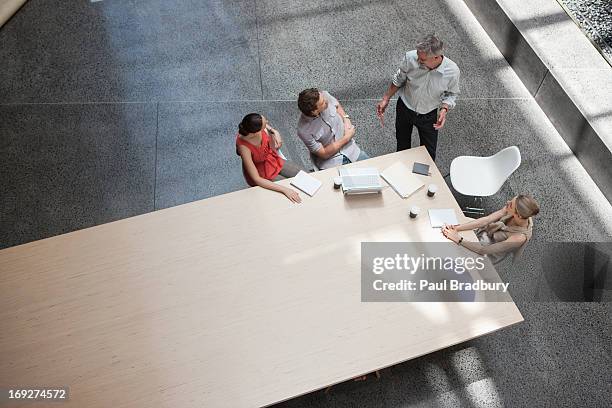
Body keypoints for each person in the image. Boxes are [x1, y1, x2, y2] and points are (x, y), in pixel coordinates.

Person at [376, 34, 460, 161]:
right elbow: (399, 79)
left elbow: (452, 93)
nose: (418, 61)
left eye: (423, 60)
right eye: (418, 57)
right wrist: (386, 98)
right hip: (405, 107)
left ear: (436, 57)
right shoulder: (410, 57)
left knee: (428, 154)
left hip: (428, 114)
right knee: (402, 145)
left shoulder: (452, 71)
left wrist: (444, 109)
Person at [442, 195, 540, 263]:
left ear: (518, 215)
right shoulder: (515, 209)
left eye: (510, 204)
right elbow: (487, 220)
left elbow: (483, 250)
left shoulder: (519, 238)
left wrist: (458, 238)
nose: (507, 202)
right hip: (483, 234)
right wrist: (457, 228)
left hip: (487, 253)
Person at [236, 113, 305, 203]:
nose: (267, 123)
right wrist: (285, 190)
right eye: (265, 125)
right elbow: (256, 179)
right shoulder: (244, 147)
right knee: (292, 189)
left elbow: (264, 124)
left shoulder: (252, 124)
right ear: (255, 133)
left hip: (272, 159)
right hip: (262, 174)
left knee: (304, 175)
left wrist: (274, 131)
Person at [297, 88, 370, 170]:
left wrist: (346, 119)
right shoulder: (303, 130)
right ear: (314, 112)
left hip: (352, 150)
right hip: (332, 163)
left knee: (374, 172)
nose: (326, 101)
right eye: (323, 103)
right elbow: (324, 153)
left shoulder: (324, 95)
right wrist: (347, 137)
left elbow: (337, 105)